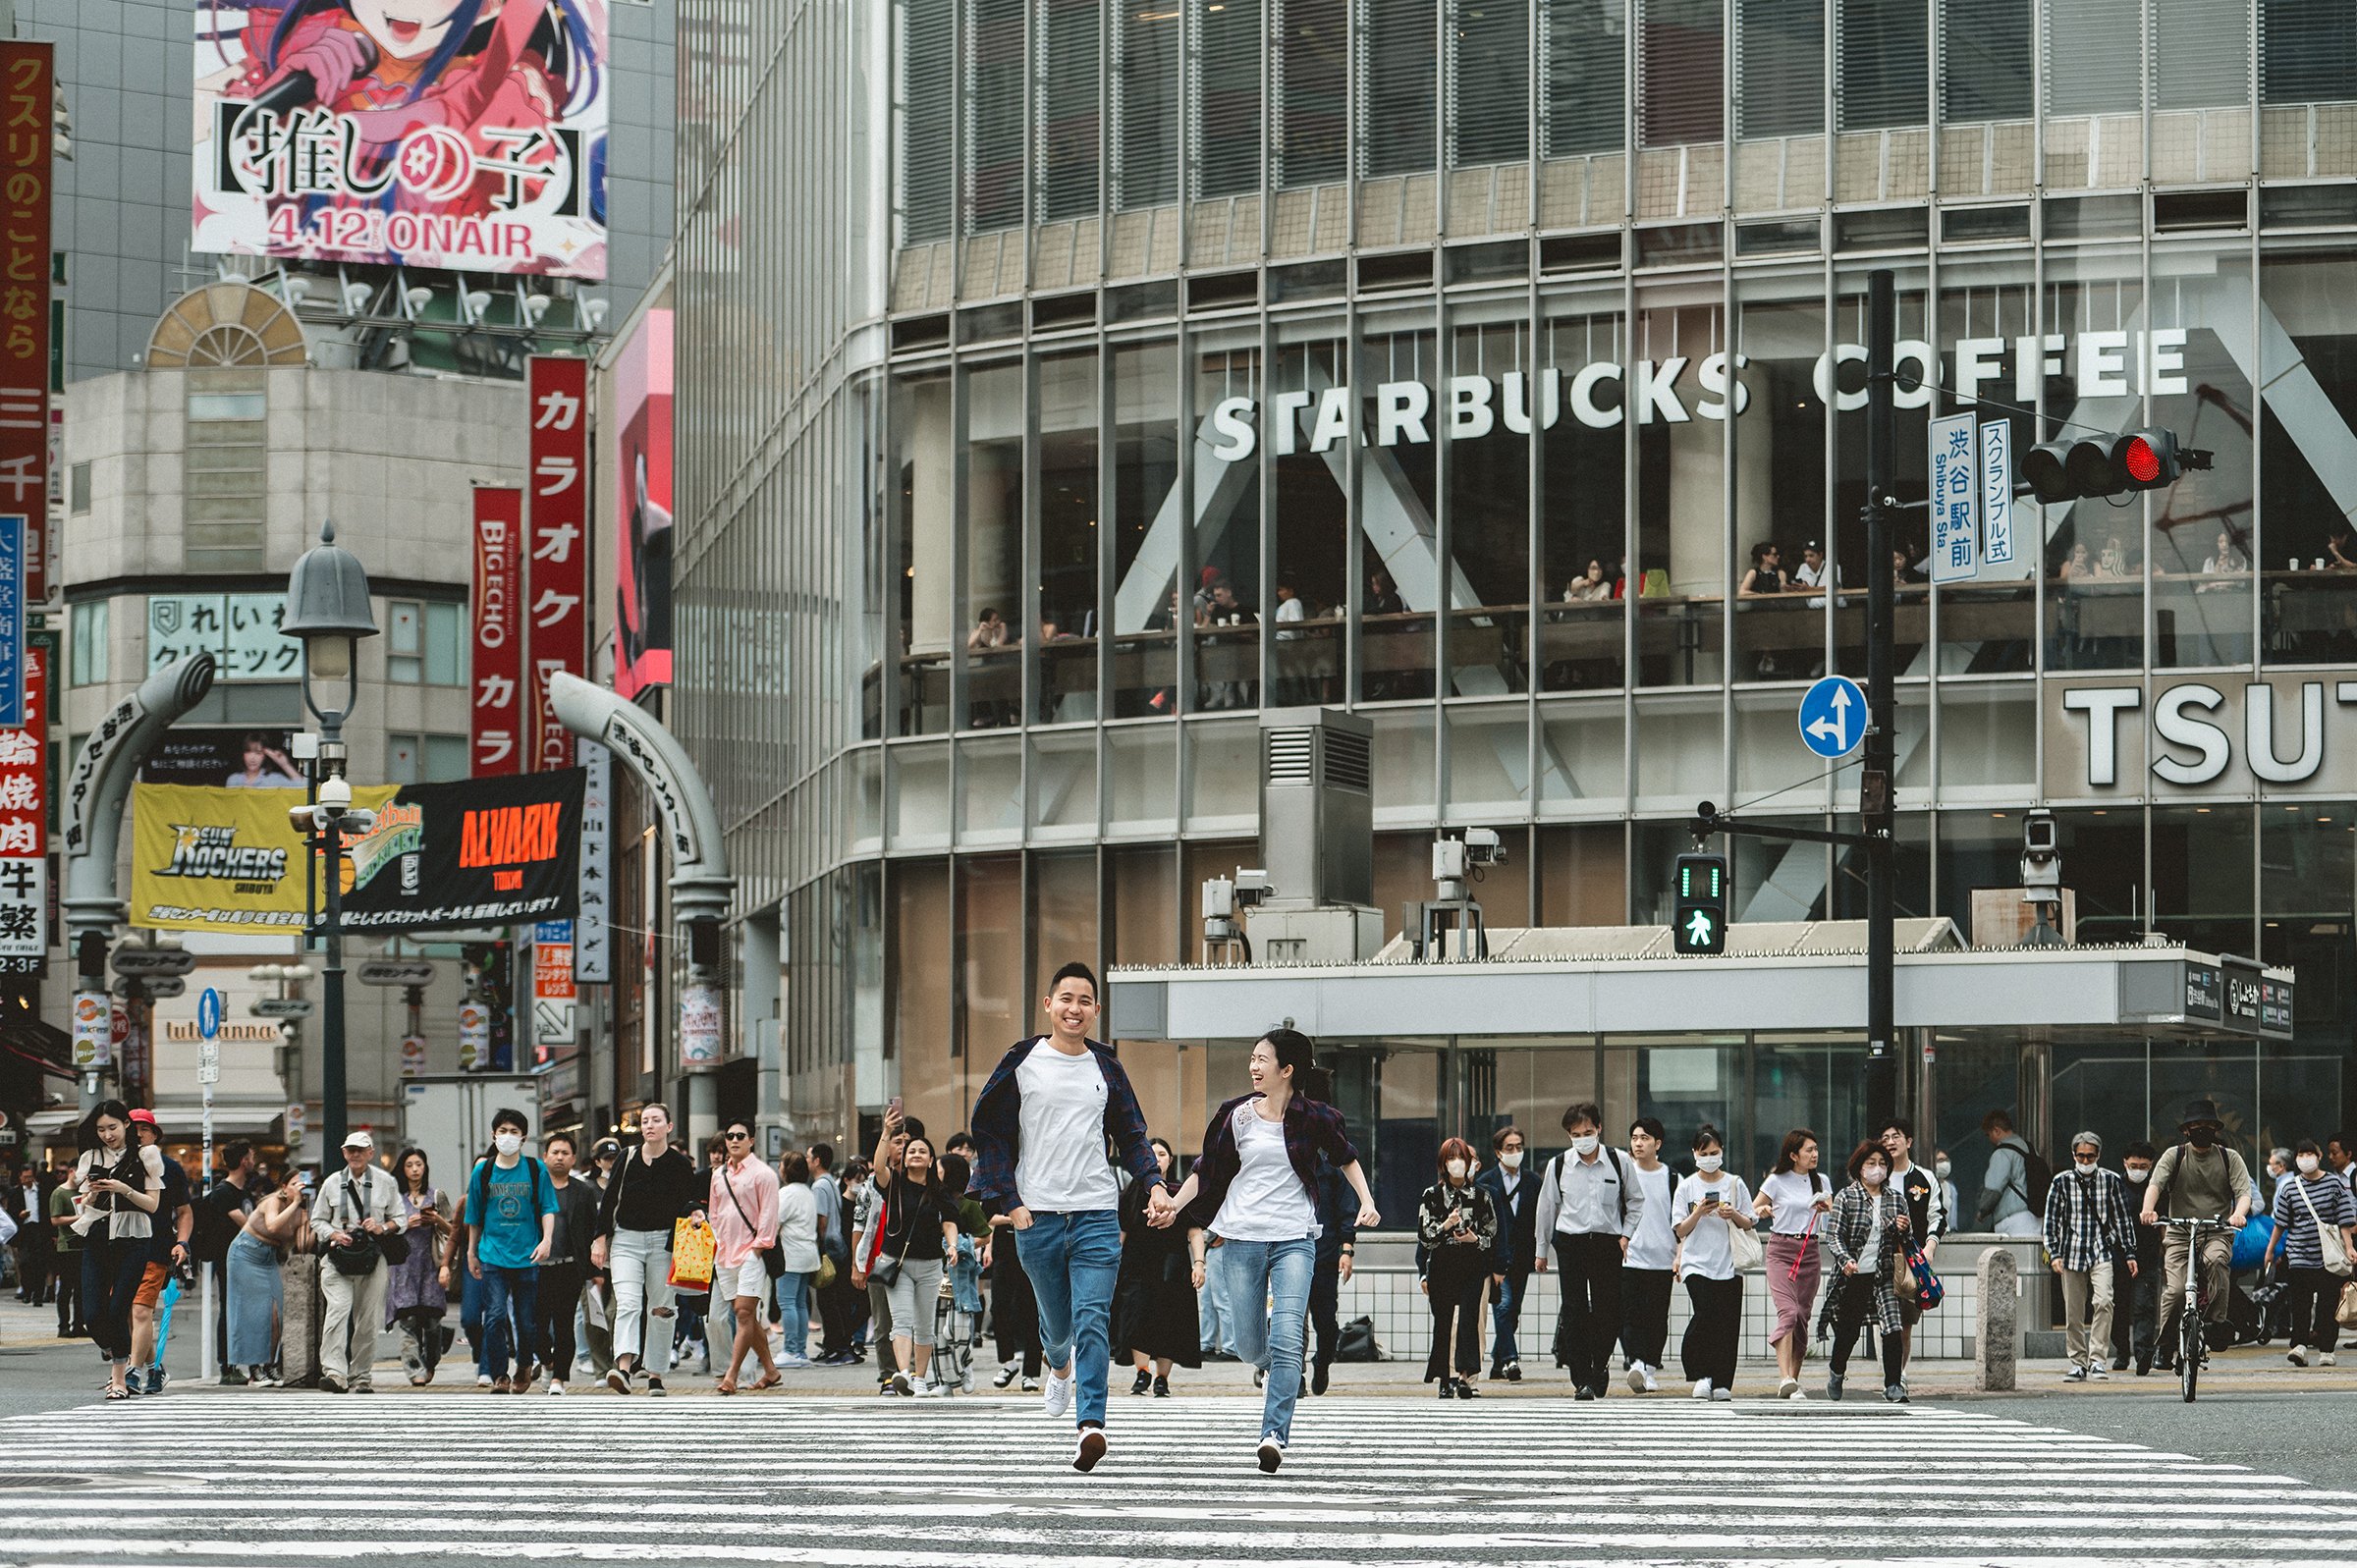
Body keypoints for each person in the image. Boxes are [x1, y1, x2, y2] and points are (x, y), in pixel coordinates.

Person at [970, 960, 1172, 1473]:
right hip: (1035, 1215)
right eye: (1066, 999)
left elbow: (1131, 1134)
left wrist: (1153, 1185)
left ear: (1095, 1010)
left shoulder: (1106, 1068)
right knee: (1057, 1327)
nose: (1074, 1008)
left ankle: (1092, 1424)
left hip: (1096, 1213)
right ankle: (1058, 1367)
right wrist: (1010, 1204)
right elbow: (989, 1132)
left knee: (1092, 1319)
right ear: (1048, 1005)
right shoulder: (1023, 1062)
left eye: (1084, 1001)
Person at [1155, 1027, 1379, 1472]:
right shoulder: (1235, 1116)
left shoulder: (1315, 1117)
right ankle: (1277, 1369)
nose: (1253, 1066)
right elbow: (1206, 1170)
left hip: (1295, 1237)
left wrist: (1368, 1202)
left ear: (1287, 1069)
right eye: (1252, 1058)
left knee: (1289, 1330)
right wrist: (1175, 1207)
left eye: (1262, 1059)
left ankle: (1274, 1433)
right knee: (1249, 1344)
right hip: (1241, 1237)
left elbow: (1345, 1156)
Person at [1532, 1101, 1646, 1399]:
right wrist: (1541, 1250)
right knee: (1575, 1310)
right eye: (1574, 1133)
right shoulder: (1559, 1165)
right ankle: (1582, 1377)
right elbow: (1546, 1209)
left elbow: (1636, 1201)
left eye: (1586, 1131)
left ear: (1598, 1129)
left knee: (1608, 1310)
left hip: (1608, 1242)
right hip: (1571, 1242)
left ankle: (1600, 1364)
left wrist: (1626, 1236)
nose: (1582, 1138)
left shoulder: (1618, 1161)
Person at [591, 1103, 701, 1396]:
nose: (649, 1125)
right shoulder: (627, 1158)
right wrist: (599, 1237)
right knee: (627, 1303)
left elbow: (689, 1200)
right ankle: (624, 1368)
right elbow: (610, 1200)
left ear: (669, 1126)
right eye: (645, 1121)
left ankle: (655, 1374)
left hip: (663, 1242)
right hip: (626, 1240)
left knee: (662, 1309)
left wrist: (695, 1213)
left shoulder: (679, 1164)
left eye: (656, 1120)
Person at [2141, 1099, 2253, 1369]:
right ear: (2186, 1130)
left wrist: (2238, 1213)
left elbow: (2244, 1193)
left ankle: (2216, 1324)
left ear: (2215, 1129)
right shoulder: (2174, 1155)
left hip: (2216, 1231)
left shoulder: (2229, 1157)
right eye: (2196, 1126)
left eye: (2207, 1126)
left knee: (2216, 1262)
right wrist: (2148, 1209)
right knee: (2177, 1290)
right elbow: (2155, 1184)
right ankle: (2165, 1345)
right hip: (2180, 1232)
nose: (2201, 1130)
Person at [70, 1101, 163, 1399]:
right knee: (92, 1315)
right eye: (100, 1129)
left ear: (126, 1124)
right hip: (97, 1236)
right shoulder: (91, 1156)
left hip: (133, 1238)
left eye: (112, 1127)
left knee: (117, 1310)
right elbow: (83, 1202)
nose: (107, 1134)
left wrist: (124, 1190)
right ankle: (115, 1347)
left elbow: (153, 1205)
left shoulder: (146, 1155)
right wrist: (92, 1195)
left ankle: (119, 1379)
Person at [464, 1109, 559, 1394]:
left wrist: (547, 1240)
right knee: (492, 1317)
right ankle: (499, 1375)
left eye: (514, 1132)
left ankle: (525, 1365)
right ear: (494, 1135)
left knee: (526, 1321)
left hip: (526, 1256)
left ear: (524, 1137)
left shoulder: (535, 1169)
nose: (507, 1136)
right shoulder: (484, 1171)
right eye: (502, 1131)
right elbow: (474, 1215)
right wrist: (471, 1251)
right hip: (493, 1255)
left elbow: (547, 1207)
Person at [862, 1110, 957, 1397]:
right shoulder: (894, 1184)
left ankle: (920, 1377)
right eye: (911, 1150)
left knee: (925, 1326)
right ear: (903, 1158)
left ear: (931, 1160)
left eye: (922, 1151)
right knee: (901, 1321)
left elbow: (949, 1222)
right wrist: (885, 1132)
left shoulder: (939, 1191)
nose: (915, 1153)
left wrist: (951, 1245)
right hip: (897, 1264)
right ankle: (902, 1373)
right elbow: (879, 1167)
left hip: (929, 1265)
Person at [310, 1129, 411, 1394]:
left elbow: (400, 1220)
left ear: (370, 1153)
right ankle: (335, 1373)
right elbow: (317, 1219)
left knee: (368, 1319)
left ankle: (362, 1375)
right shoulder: (332, 1183)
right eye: (350, 1150)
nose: (355, 1154)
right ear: (344, 1153)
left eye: (360, 1150)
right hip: (337, 1257)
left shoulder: (385, 1181)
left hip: (372, 1256)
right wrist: (333, 1233)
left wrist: (381, 1228)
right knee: (338, 1310)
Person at [2042, 1131, 2138, 1382]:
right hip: (2071, 1250)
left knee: (2105, 1301)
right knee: (2073, 1311)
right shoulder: (2061, 1182)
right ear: (2073, 1155)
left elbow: (2122, 1218)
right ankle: (2077, 1361)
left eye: (2090, 1156)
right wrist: (2054, 1253)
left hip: (2100, 1250)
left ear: (2099, 1155)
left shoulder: (2111, 1180)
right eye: (2081, 1156)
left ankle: (2097, 1359)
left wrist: (2129, 1252)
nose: (2085, 1161)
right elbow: (2051, 1221)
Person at [1823, 1139, 1912, 1403]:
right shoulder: (1846, 1197)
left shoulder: (1896, 1199)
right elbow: (1834, 1234)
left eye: (1883, 1163)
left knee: (1893, 1327)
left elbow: (1907, 1239)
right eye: (1871, 1163)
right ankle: (1837, 1372)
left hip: (1884, 1274)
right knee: (1848, 1331)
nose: (1877, 1168)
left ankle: (1893, 1385)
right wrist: (1845, 1259)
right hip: (1854, 1274)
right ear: (1859, 1167)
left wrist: (1903, 1228)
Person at [1672, 1125, 1754, 1402]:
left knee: (1728, 1323)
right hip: (1696, 1263)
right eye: (1704, 1153)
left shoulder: (1734, 1183)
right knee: (1705, 1314)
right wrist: (1698, 1212)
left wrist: (1732, 1214)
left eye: (1714, 1152)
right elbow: (1680, 1230)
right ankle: (1701, 1374)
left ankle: (1722, 1383)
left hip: (1729, 1263)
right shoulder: (1687, 1186)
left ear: (1722, 1151)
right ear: (1695, 1153)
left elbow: (1750, 1221)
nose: (1710, 1157)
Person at [1114, 1136, 1200, 1397]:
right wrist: (1113, 1264)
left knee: (1170, 1319)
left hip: (1173, 1264)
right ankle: (1142, 1372)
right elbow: (1122, 1231)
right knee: (1135, 1315)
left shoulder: (1180, 1191)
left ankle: (1162, 1378)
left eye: (1162, 1154)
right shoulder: (1132, 1191)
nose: (1157, 1158)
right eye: (1152, 1154)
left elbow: (1194, 1231)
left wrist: (1199, 1263)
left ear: (1170, 1160)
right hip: (1137, 1262)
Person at [1416, 1138, 1497, 1403]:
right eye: (1451, 1158)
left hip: (1472, 1266)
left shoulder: (1482, 1195)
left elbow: (1491, 1233)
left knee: (1468, 1321)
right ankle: (1443, 1378)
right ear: (1443, 1164)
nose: (1457, 1164)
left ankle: (1465, 1376)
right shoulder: (1432, 1195)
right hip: (1442, 1265)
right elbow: (1425, 1237)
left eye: (1460, 1157)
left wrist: (1476, 1240)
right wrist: (1446, 1226)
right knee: (1443, 1322)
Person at [1754, 1128, 1832, 1400]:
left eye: (1816, 1149)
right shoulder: (1776, 1180)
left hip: (1810, 1251)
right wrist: (1762, 1211)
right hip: (1781, 1249)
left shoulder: (1821, 1181)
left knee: (1802, 1318)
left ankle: (1793, 1381)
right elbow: (1753, 1210)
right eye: (1809, 1150)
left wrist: (1826, 1208)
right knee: (1788, 1311)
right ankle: (1784, 1377)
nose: (1815, 1154)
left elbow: (1831, 1213)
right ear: (1793, 1154)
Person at [2267, 1139, 2357, 1368]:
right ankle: (2299, 1346)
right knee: (2300, 1303)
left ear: (2318, 1156)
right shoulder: (2291, 1187)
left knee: (2327, 1304)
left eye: (2310, 1153)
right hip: (2298, 1255)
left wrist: (2349, 1247)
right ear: (2296, 1159)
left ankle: (2327, 1350)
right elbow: (2280, 1223)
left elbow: (2344, 1219)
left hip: (2328, 1257)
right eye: (2301, 1154)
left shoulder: (2334, 1184)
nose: (2306, 1157)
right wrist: (2271, 1250)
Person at [709, 1117, 782, 1394]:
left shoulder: (764, 1174)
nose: (735, 1140)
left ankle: (732, 1375)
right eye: (730, 1136)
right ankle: (771, 1371)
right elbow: (715, 1214)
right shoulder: (719, 1175)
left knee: (743, 1312)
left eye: (741, 1135)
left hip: (752, 1254)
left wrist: (757, 1249)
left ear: (752, 1140)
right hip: (725, 1253)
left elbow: (769, 1215)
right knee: (746, 1317)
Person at [126, 1110, 194, 1395]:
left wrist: (183, 1243)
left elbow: (184, 1211)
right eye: (134, 1129)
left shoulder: (170, 1167)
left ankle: (132, 1372)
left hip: (156, 1247)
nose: (139, 1134)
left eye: (145, 1129)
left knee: (142, 1311)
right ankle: (156, 1367)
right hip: (121, 1248)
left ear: (155, 1135)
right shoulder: (119, 1165)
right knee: (128, 1315)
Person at [226, 1169, 305, 1384]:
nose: (300, 1188)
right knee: (254, 1314)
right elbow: (272, 1225)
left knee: (276, 1314)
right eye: (295, 1184)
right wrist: (295, 1203)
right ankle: (255, 1368)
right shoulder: (273, 1202)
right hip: (246, 1253)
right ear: (284, 1186)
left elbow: (304, 1244)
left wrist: (308, 1219)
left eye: (304, 1184)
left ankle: (270, 1364)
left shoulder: (301, 1212)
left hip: (269, 1258)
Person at [1474, 1125, 1541, 1382]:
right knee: (1503, 1307)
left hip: (1523, 1257)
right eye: (1509, 1148)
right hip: (1495, 1259)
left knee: (1513, 1312)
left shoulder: (1533, 1181)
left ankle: (1496, 1362)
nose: (1515, 1152)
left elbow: (1539, 1219)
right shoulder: (1486, 1183)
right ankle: (1510, 1360)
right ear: (1498, 1152)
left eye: (1519, 1147)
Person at [192, 1142, 262, 1382]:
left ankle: (239, 1364)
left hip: (245, 1260)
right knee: (230, 1310)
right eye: (251, 1156)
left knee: (240, 1311)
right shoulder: (225, 1193)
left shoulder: (241, 1191)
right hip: (229, 1260)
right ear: (244, 1161)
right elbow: (248, 1226)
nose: (254, 1160)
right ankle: (227, 1367)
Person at [1617, 1117, 1677, 1392]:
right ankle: (1636, 1363)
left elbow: (1679, 1221)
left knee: (1656, 1317)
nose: (1638, 1143)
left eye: (1644, 1138)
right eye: (1634, 1138)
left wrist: (1679, 1254)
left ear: (1658, 1143)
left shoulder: (1672, 1177)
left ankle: (1650, 1368)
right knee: (1629, 1314)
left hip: (1662, 1258)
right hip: (1629, 1257)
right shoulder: (1625, 1173)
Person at [538, 1131, 599, 1394]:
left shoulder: (582, 1192)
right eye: (555, 1152)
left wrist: (594, 1270)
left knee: (564, 1324)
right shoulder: (535, 1189)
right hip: (537, 1267)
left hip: (570, 1266)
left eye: (565, 1153)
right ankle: (547, 1362)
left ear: (573, 1159)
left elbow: (592, 1232)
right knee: (535, 1325)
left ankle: (558, 1378)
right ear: (545, 1157)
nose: (559, 1158)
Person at [1883, 1118, 1947, 1365]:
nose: (1890, 1142)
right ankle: (1889, 1376)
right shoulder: (1877, 1176)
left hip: (1911, 1258)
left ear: (1908, 1142)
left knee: (1905, 1323)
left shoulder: (1924, 1177)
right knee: (1884, 1320)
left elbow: (1938, 1216)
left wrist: (1929, 1247)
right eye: (1885, 1138)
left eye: (1895, 1136)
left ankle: (1899, 1374)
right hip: (1879, 1257)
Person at [387, 1147, 451, 1386]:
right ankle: (414, 1369)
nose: (415, 1170)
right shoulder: (394, 1198)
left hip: (431, 1265)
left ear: (425, 1168)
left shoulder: (437, 1196)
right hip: (403, 1267)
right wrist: (405, 1223)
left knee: (433, 1323)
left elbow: (454, 1231)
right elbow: (386, 1228)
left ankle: (430, 1360)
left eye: (419, 1165)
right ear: (402, 1169)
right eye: (409, 1165)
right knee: (408, 1320)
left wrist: (437, 1220)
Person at [1306, 1146, 1358, 1395]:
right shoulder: (1284, 1166)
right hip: (1286, 1257)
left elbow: (1346, 1211)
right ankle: (1290, 1375)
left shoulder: (1332, 1170)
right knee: (1288, 1322)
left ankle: (1322, 1362)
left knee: (1326, 1324)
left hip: (1324, 1258)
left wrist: (1346, 1251)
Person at [2113, 1141, 2165, 1375]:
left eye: (2143, 1165)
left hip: (2148, 1255)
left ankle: (2143, 1354)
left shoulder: (2157, 1188)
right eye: (2133, 1165)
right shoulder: (2115, 1186)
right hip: (2119, 1255)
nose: (2138, 1169)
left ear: (2151, 1165)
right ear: (2124, 1163)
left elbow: (2164, 1224)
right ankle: (2121, 1352)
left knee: (2145, 1306)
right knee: (2119, 1306)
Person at [807, 1142, 857, 1365]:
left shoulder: (819, 1186)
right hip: (839, 1247)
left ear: (817, 1160)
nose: (807, 1161)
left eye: (809, 1157)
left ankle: (836, 1347)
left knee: (828, 1301)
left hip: (828, 1247)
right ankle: (838, 1345)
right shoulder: (830, 1182)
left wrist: (818, 1246)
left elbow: (822, 1220)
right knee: (836, 1300)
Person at [987, 1204, 1044, 1392]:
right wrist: (1012, 1218)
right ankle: (1008, 1362)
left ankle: (1031, 1372)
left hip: (1033, 1248)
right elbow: (987, 1216)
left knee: (1031, 1310)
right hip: (1004, 1249)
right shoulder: (1000, 1181)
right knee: (998, 1307)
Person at [773, 1151, 820, 1370]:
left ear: (786, 1170)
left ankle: (791, 1349)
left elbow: (774, 1222)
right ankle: (800, 1350)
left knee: (787, 1302)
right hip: (808, 1253)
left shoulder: (787, 1194)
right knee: (800, 1303)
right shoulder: (808, 1192)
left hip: (790, 1255)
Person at [1977, 1109, 2045, 1238]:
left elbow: (1993, 1188)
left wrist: (1982, 1211)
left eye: (1988, 1134)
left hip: (2014, 1221)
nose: (1989, 1139)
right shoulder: (2029, 1148)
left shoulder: (2002, 1152)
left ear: (1997, 1130)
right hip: (2035, 1218)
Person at [48, 1161, 83, 1338]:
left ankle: (78, 1324)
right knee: (66, 1288)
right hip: (66, 1246)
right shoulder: (59, 1193)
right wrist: (78, 1218)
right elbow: (55, 1220)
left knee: (81, 1289)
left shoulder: (84, 1192)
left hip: (83, 1246)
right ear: (72, 1171)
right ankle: (63, 1326)